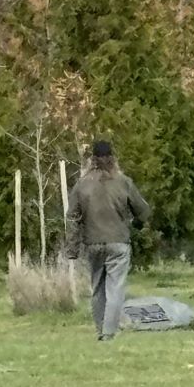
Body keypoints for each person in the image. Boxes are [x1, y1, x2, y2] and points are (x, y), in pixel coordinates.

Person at [66, 140, 151, 341]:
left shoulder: (82, 185)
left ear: (92, 160)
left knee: (97, 288)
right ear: (113, 158)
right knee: (115, 288)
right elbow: (143, 210)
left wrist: (72, 248)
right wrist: (138, 223)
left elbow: (72, 218)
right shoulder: (123, 182)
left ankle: (100, 330)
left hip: (93, 242)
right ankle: (109, 332)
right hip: (118, 242)